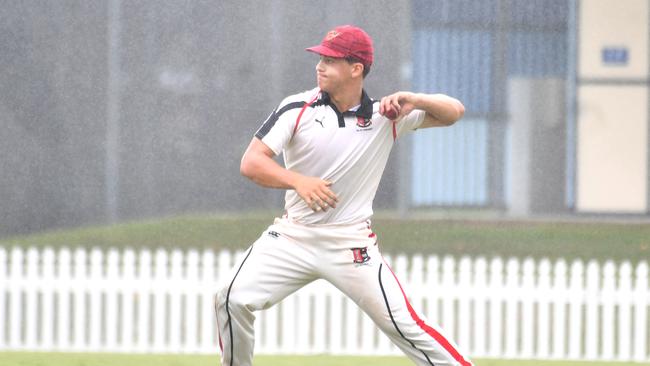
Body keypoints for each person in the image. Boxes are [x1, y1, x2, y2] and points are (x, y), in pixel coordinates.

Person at [215, 25, 472, 366]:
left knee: (406, 326)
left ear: (356, 69)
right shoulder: (297, 108)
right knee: (230, 297)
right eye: (320, 58)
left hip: (351, 245)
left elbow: (454, 112)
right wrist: (299, 182)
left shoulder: (386, 116)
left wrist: (415, 99)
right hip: (293, 237)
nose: (319, 66)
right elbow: (251, 162)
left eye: (331, 60)